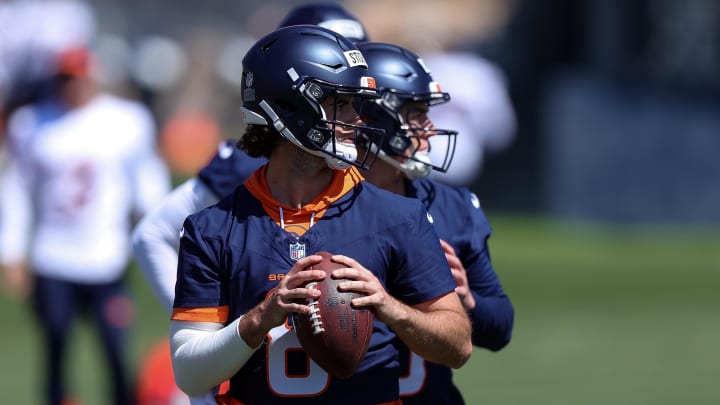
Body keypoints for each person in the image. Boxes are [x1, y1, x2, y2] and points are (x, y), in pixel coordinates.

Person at [169, 25, 472, 405]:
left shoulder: (399, 217)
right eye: (340, 104)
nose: (357, 120)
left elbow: (458, 346)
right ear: (288, 107)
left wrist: (390, 307)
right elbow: (189, 372)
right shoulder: (213, 228)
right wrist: (260, 318)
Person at [0, 47, 171, 405]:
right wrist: (11, 251)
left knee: (114, 345)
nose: (72, 88)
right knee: (56, 343)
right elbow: (15, 188)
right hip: (53, 255)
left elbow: (148, 182)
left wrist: (160, 230)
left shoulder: (126, 120)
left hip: (105, 256)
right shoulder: (32, 124)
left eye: (78, 79)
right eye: (65, 79)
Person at [355, 41, 515, 404]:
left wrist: (467, 301)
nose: (429, 129)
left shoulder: (450, 206)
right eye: (414, 114)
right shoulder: (320, 205)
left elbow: (501, 326)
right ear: (370, 117)